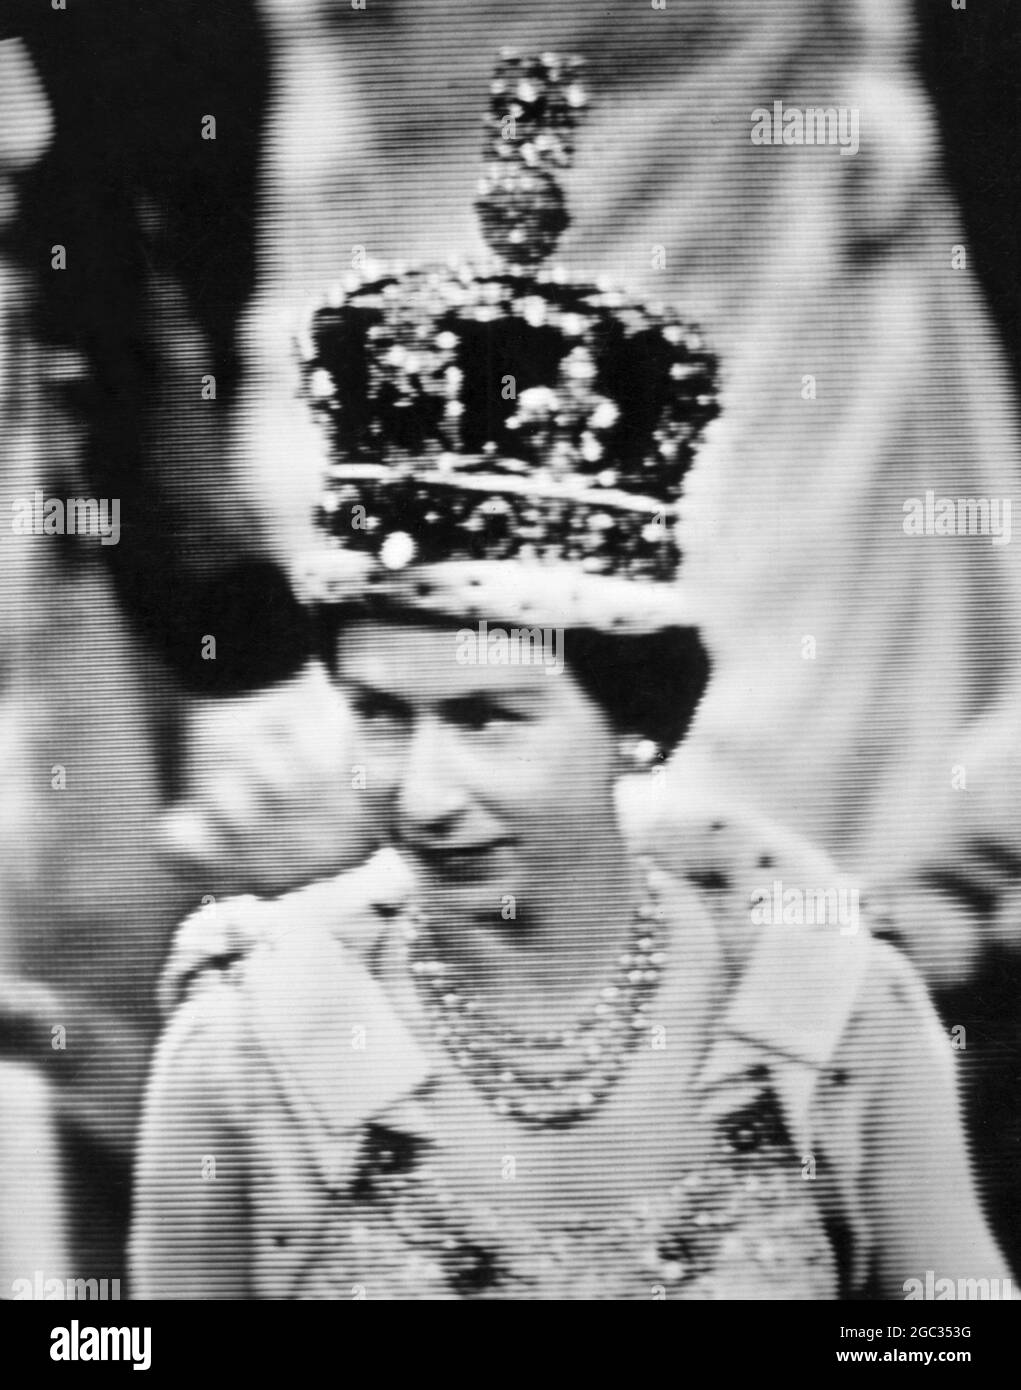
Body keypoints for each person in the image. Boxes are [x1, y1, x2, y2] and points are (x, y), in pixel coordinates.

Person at [129, 53, 1010, 1301]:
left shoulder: (832, 1004)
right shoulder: (247, 1032)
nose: (420, 792)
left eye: (489, 718)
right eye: (380, 714)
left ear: (639, 726)